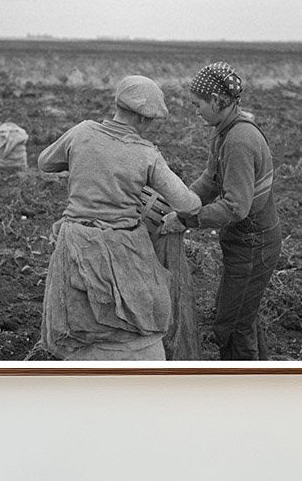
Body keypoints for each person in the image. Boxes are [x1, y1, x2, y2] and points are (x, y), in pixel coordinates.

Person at [37, 75, 200, 361]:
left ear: (117, 104)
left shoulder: (82, 132)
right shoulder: (146, 154)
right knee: (137, 316)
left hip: (75, 241)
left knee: (79, 316)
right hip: (124, 247)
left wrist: (82, 162)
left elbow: (45, 162)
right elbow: (186, 203)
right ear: (144, 119)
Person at [162, 61, 281, 360]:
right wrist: (181, 200)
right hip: (246, 242)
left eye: (197, 104)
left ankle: (240, 394)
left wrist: (188, 219)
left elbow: (236, 207)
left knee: (231, 326)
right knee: (244, 318)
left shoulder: (239, 141)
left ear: (216, 100)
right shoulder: (224, 131)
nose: (196, 111)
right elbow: (210, 180)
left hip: (254, 244)